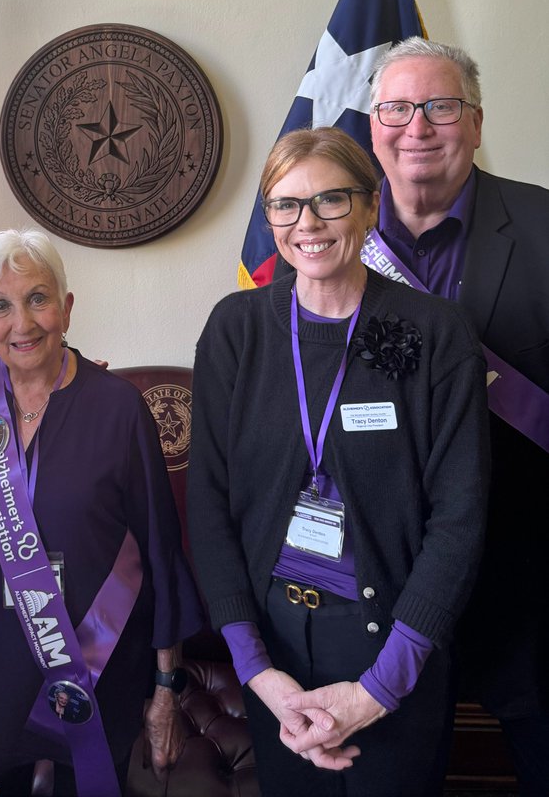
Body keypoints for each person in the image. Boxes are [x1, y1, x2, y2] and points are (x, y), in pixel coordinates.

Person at [188, 127, 489, 797]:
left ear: (371, 205)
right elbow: (208, 503)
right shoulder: (235, 330)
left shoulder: (438, 332)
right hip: (275, 654)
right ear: (270, 219)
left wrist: (381, 688)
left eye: (331, 199)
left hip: (395, 647)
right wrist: (258, 672)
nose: (308, 223)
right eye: (286, 204)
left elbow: (460, 518)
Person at [0, 228, 203, 797]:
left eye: (38, 298)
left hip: (98, 667)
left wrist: (166, 690)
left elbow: (160, 552)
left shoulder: (118, 406)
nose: (22, 323)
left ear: (66, 309)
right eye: (0, 306)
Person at [368, 37, 549, 796]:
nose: (418, 127)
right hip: (382, 589)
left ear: (475, 123)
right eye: (397, 109)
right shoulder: (328, 240)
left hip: (528, 583)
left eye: (441, 107)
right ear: (373, 125)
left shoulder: (543, 224)